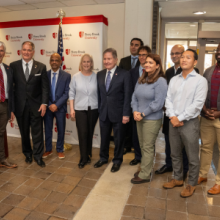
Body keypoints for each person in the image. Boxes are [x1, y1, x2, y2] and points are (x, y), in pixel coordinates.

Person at [163, 49, 208, 198]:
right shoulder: (174, 79)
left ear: (195, 62)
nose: (183, 59)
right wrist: (172, 117)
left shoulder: (200, 81)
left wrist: (179, 118)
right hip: (173, 121)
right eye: (182, 57)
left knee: (192, 156)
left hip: (189, 123)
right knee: (175, 153)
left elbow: (197, 104)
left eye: (188, 57)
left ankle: (191, 184)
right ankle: (177, 178)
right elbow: (168, 99)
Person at [10, 41, 49, 167]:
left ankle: (38, 156)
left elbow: (45, 88)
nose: (26, 52)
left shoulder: (41, 67)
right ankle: (27, 154)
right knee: (24, 133)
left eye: (29, 50)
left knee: (37, 133)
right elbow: (11, 88)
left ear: (33, 51)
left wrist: (44, 103)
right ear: (21, 51)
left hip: (36, 106)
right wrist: (11, 107)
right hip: (20, 107)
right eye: (24, 50)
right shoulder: (13, 66)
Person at [130, 54, 167, 184]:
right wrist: (135, 111)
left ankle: (145, 174)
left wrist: (142, 114)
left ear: (157, 65)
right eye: (146, 62)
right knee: (142, 145)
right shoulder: (142, 78)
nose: (147, 65)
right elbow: (134, 97)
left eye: (151, 63)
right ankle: (145, 168)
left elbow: (158, 103)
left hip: (151, 119)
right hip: (139, 117)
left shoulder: (160, 81)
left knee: (147, 146)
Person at [94, 48, 132, 172]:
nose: (106, 61)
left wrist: (126, 113)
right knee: (104, 138)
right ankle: (103, 158)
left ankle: (117, 160)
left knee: (118, 139)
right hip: (104, 113)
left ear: (115, 59)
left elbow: (128, 95)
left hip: (119, 114)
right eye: (105, 59)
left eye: (109, 58)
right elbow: (100, 95)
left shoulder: (125, 74)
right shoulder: (99, 74)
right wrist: (100, 109)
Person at [155, 45, 190, 179]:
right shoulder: (168, 71)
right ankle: (169, 164)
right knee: (168, 141)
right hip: (169, 114)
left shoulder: (189, 70)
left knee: (183, 143)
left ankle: (184, 169)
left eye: (178, 53)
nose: (174, 56)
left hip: (183, 116)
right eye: (172, 53)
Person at [198, 43, 220, 195]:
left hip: (219, 117)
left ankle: (219, 182)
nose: (219, 53)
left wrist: (219, 113)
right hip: (207, 117)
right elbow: (202, 92)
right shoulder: (208, 71)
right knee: (206, 147)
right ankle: (203, 175)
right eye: (218, 50)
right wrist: (204, 110)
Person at [69, 54, 99, 169]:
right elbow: (71, 93)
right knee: (82, 133)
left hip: (94, 109)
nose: (86, 64)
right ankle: (83, 158)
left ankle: (88, 154)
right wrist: (72, 109)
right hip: (80, 109)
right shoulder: (75, 77)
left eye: (88, 62)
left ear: (91, 63)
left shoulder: (96, 77)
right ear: (81, 64)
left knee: (90, 133)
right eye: (84, 62)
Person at [43, 53, 71, 160]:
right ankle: (48, 149)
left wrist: (57, 105)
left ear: (60, 62)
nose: (54, 62)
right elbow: (43, 91)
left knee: (61, 129)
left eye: (56, 60)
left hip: (60, 108)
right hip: (48, 107)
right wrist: (50, 104)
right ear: (50, 62)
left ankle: (60, 149)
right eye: (52, 60)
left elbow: (66, 93)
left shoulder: (66, 76)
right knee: (48, 129)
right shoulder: (44, 74)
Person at [119, 38, 144, 155]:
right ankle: (127, 146)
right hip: (125, 97)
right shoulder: (123, 61)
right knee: (126, 123)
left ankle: (136, 147)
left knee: (136, 125)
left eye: (136, 45)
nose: (133, 47)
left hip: (138, 97)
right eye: (132, 45)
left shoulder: (144, 61)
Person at [129, 45, 152, 166]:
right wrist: (134, 109)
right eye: (140, 55)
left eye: (144, 55)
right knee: (135, 134)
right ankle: (138, 156)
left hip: (148, 109)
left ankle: (146, 158)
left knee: (147, 137)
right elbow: (130, 91)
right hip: (135, 108)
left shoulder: (153, 72)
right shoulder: (132, 72)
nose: (142, 57)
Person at [0, 41, 17, 169]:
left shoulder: (7, 69)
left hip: (4, 104)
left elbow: (11, 91)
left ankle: (1, 159)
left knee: (1, 132)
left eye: (1, 50)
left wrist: (11, 109)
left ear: (4, 53)